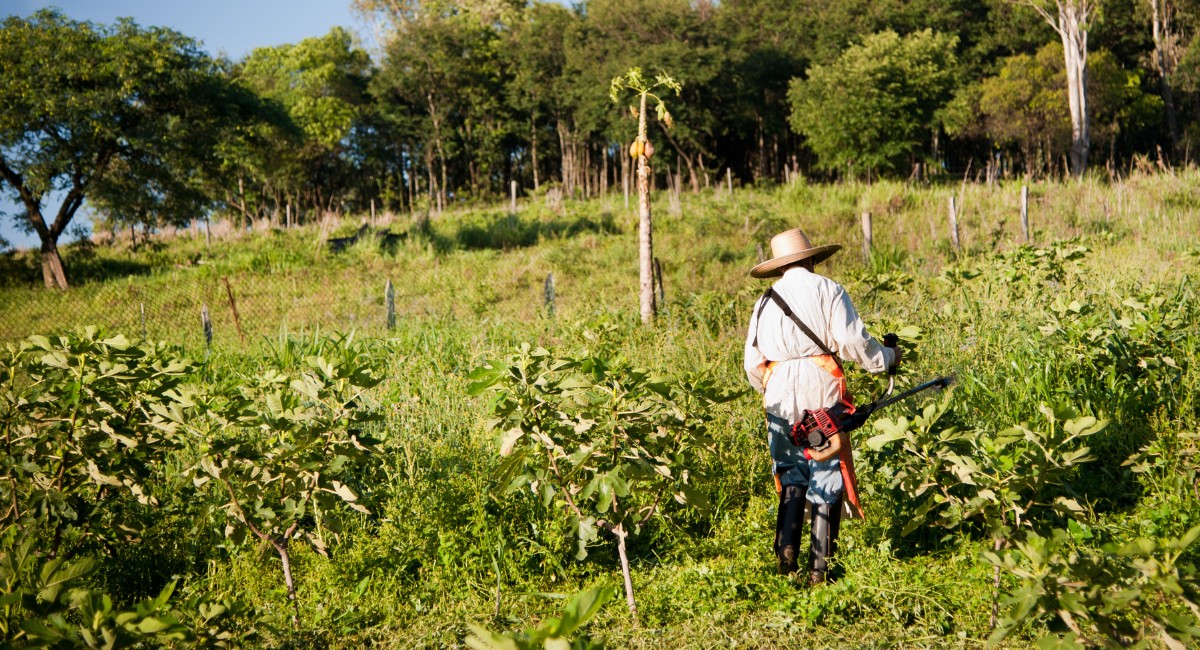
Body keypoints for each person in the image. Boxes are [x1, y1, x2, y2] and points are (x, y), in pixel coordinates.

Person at [743, 227, 901, 584]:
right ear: (812, 258)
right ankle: (820, 570)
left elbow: (752, 363)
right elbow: (851, 342)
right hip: (821, 380)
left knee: (790, 468)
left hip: (778, 386)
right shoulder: (829, 289)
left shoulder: (765, 301)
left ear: (780, 266)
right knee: (827, 469)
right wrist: (887, 358)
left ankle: (786, 549)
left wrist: (770, 388)